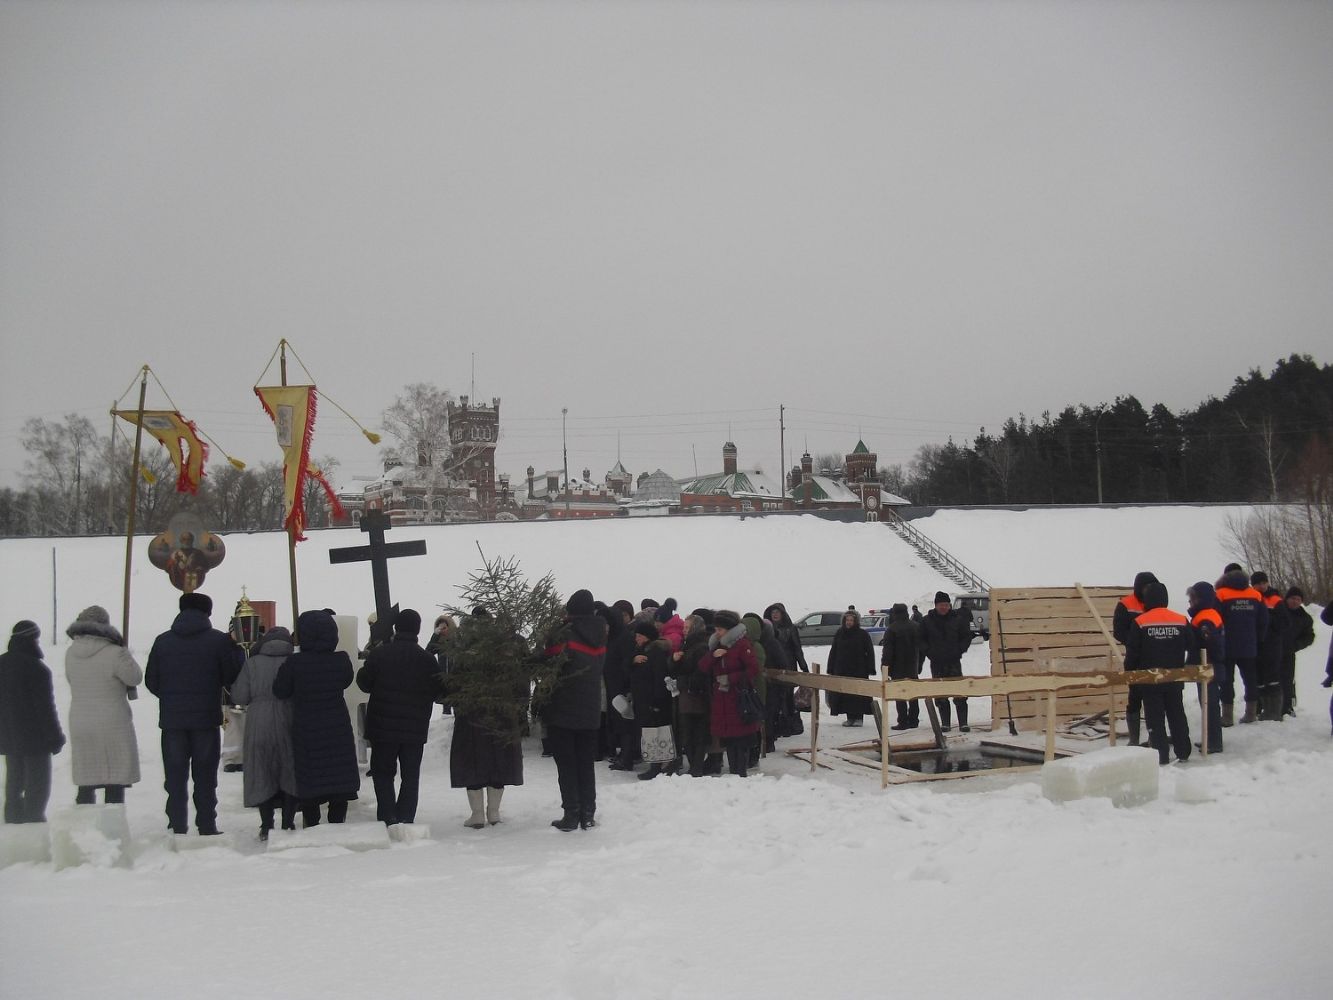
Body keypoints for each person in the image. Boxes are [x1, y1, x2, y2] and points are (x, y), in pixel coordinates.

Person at [145, 593, 244, 835]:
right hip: (205, 721)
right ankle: (207, 825)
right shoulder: (218, 641)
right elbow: (231, 676)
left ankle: (177, 824)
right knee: (205, 777)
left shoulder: (162, 641)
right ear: (207, 612)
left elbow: (151, 681)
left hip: (172, 721)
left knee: (175, 777)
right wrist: (236, 649)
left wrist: (170, 697)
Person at [273, 610, 360, 827]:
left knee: (310, 774)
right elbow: (346, 681)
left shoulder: (295, 663)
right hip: (337, 725)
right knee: (338, 774)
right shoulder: (341, 660)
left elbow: (280, 690)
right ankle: (337, 820)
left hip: (307, 726)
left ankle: (311, 822)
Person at [356, 609, 441, 827]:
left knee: (383, 773)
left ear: (396, 628)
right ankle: (406, 816)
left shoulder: (380, 654)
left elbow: (364, 683)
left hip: (382, 726)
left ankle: (388, 815)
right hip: (414, 727)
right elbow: (439, 691)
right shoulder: (427, 659)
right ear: (418, 629)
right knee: (410, 775)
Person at [445, 607, 527, 829]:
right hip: (501, 713)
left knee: (471, 762)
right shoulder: (503, 650)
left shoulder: (465, 651)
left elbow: (453, 685)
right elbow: (518, 681)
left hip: (471, 715)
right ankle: (494, 812)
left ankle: (477, 814)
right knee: (499, 761)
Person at [541, 589, 608, 831]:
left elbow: (549, 662)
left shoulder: (563, 634)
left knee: (567, 764)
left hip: (563, 707)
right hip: (590, 709)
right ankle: (588, 814)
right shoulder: (601, 634)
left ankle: (571, 813)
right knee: (585, 764)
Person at [64, 606, 141, 806]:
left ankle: (83, 819)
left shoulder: (71, 653)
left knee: (87, 777)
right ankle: (112, 822)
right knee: (114, 778)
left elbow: (72, 680)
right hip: (111, 722)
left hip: (80, 720)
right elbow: (134, 677)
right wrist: (125, 654)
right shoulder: (115, 653)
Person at [229, 626, 298, 839]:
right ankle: (288, 822)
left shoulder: (252, 663)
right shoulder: (294, 661)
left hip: (259, 720)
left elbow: (239, 696)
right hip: (290, 717)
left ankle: (266, 825)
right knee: (290, 769)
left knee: (261, 770)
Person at [1124, 581, 1197, 765]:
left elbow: (1133, 653)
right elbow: (1193, 646)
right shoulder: (1181, 620)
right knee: (1177, 714)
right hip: (1174, 678)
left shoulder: (1140, 622)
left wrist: (1130, 674)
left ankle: (1160, 754)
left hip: (1150, 680)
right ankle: (1183, 751)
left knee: (1155, 718)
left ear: (1147, 600)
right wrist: (1186, 666)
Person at [0, 621, 64, 823]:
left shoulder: (2, 664)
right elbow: (45, 708)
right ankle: (33, 827)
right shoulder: (37, 669)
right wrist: (55, 738)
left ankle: (13, 822)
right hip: (36, 739)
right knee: (37, 787)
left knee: (14, 783)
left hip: (8, 737)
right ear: (33, 639)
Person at [703, 610, 761, 776]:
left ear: (729, 630)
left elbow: (753, 669)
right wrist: (714, 656)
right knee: (728, 738)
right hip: (721, 698)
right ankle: (734, 773)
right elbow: (703, 666)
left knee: (740, 738)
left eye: (720, 629)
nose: (717, 632)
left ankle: (740, 772)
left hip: (737, 698)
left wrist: (730, 678)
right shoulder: (717, 645)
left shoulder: (742, 645)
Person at [1215, 566, 1268, 725]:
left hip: (1227, 646)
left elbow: (1215, 619)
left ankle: (1227, 716)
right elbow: (1263, 621)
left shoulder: (1220, 594)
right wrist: (1257, 639)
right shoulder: (1255, 595)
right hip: (1249, 645)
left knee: (1226, 681)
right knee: (1250, 679)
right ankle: (1251, 713)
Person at [1112, 572, 1159, 747]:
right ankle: (1134, 740)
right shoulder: (1126, 605)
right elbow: (1119, 631)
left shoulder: (1156, 602)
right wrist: (1135, 642)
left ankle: (1155, 737)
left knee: (1153, 700)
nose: (1148, 590)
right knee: (1134, 699)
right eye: (1146, 587)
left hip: (1155, 658)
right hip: (1135, 658)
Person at [919, 592, 974, 732]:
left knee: (959, 692)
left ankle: (963, 723)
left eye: (946, 605)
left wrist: (959, 650)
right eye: (941, 605)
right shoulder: (927, 621)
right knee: (940, 693)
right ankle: (945, 723)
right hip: (937, 662)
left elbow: (966, 637)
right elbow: (920, 639)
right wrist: (929, 652)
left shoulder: (958, 619)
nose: (943, 607)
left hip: (954, 661)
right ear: (936, 605)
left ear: (949, 605)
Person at [628, 620, 674, 780]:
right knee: (649, 732)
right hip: (643, 699)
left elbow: (659, 677)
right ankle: (655, 765)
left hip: (652, 700)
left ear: (647, 636)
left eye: (639, 636)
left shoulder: (655, 652)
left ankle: (657, 767)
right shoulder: (640, 651)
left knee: (656, 732)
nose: (636, 639)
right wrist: (633, 661)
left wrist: (657, 701)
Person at [1185, 582, 1225, 754]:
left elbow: (1211, 642)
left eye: (1192, 599)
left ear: (1200, 599)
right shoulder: (1206, 614)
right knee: (1208, 704)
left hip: (1208, 667)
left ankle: (1214, 742)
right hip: (1209, 665)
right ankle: (1211, 739)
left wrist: (1208, 661)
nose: (1190, 602)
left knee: (1210, 705)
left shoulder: (1205, 618)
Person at [672, 614, 713, 776]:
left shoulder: (700, 646)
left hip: (695, 694)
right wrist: (674, 660)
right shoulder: (687, 644)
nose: (684, 630)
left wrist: (686, 681)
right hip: (688, 693)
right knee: (689, 732)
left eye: (687, 627)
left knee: (695, 732)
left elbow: (700, 671)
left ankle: (696, 767)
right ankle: (695, 766)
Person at [827, 608, 875, 727]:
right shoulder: (840, 633)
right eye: (847, 620)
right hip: (842, 669)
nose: (849, 622)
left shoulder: (862, 634)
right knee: (845, 695)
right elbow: (834, 651)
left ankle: (859, 718)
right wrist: (831, 667)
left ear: (855, 621)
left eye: (851, 620)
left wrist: (871, 667)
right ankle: (850, 718)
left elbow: (870, 651)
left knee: (857, 695)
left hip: (858, 669)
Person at [1250, 571, 1287, 721]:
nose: (1261, 586)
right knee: (1259, 679)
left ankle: (1275, 711)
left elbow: (1285, 623)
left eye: (1263, 583)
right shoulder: (1251, 599)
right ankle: (1265, 709)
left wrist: (1267, 619)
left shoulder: (1275, 599)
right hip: (1256, 645)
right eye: (1258, 584)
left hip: (1272, 645)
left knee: (1273, 678)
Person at [880, 603, 922, 730]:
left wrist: (885, 667)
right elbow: (922, 648)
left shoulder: (891, 629)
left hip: (897, 667)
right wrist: (919, 664)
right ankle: (914, 720)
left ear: (894, 613)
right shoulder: (916, 626)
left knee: (900, 694)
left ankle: (903, 721)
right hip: (913, 666)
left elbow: (888, 651)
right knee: (913, 694)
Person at [1281, 587, 1315, 717]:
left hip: (1289, 653)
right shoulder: (1278, 611)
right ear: (1287, 599)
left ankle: (1287, 707)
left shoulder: (1305, 618)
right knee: (1269, 679)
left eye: (1298, 599)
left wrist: (1297, 645)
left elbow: (1309, 636)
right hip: (1271, 651)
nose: (1295, 601)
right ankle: (1264, 706)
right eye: (1292, 598)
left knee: (1287, 680)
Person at [424, 614, 456, 715]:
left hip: (456, 678)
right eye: (440, 628)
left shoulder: (457, 640)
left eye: (444, 628)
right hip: (444, 679)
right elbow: (428, 653)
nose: (443, 631)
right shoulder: (439, 643)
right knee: (446, 709)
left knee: (458, 708)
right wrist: (435, 636)